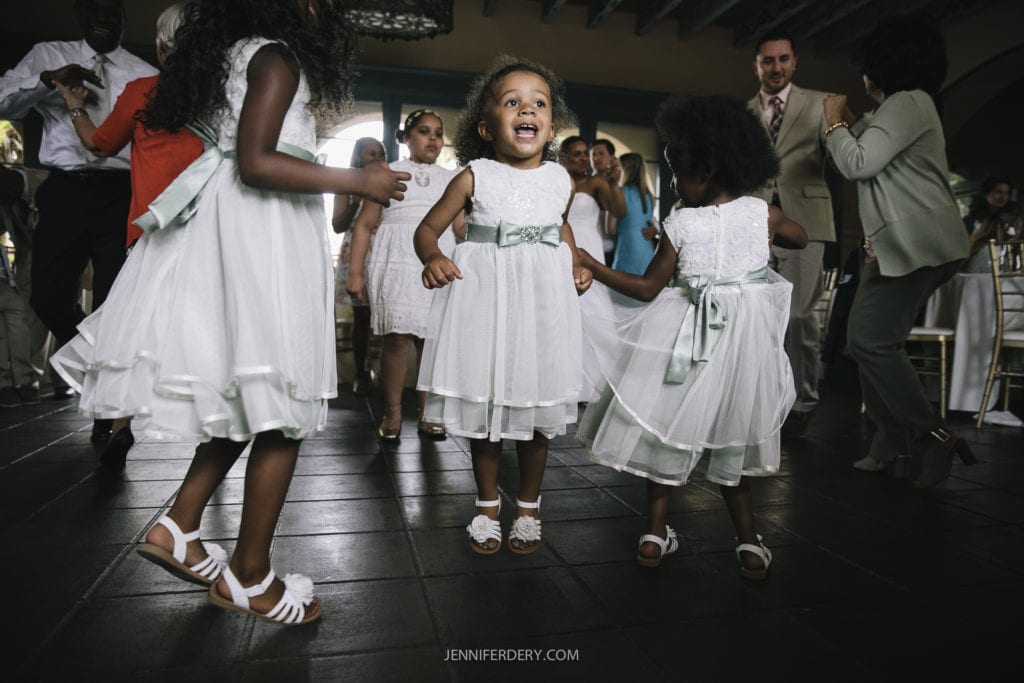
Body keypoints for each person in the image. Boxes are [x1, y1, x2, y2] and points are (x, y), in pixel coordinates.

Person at [50, 0, 409, 625]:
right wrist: (361, 183)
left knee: (256, 388)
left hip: (237, 225)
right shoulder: (276, 57)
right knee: (285, 406)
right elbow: (257, 161)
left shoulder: (233, 56)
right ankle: (250, 576)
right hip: (263, 232)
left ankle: (180, 527)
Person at [577, 94, 807, 575]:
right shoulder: (760, 212)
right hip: (739, 352)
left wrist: (592, 266)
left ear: (706, 169)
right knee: (730, 446)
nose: (676, 183)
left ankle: (655, 536)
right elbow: (799, 237)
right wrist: (768, 231)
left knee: (665, 434)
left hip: (681, 340)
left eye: (678, 172)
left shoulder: (681, 222)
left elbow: (646, 289)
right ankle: (747, 544)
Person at [414, 55, 591, 556]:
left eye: (538, 103)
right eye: (511, 103)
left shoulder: (561, 179)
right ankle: (488, 503)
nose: (526, 110)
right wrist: (432, 256)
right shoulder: (476, 175)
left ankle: (530, 506)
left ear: (551, 125)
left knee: (537, 406)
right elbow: (428, 228)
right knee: (488, 405)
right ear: (486, 126)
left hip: (541, 307)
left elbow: (560, 226)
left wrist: (575, 260)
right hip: (486, 304)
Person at [823, 13, 972, 487]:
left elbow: (860, 163)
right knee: (863, 341)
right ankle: (892, 441)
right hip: (890, 248)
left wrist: (831, 125)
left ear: (881, 66)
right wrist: (848, 125)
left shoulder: (910, 102)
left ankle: (933, 437)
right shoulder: (896, 111)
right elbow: (870, 145)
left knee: (871, 340)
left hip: (918, 245)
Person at [51, 0, 200, 470]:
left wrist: (76, 108)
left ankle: (119, 425)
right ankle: (213, 420)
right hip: (204, 225)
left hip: (150, 229)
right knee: (203, 323)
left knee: (130, 328)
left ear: (160, 48)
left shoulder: (141, 91)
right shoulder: (218, 96)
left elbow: (99, 146)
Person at [0, 0, 158, 443]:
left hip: (121, 194)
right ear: (79, 16)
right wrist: (46, 81)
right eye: (94, 11)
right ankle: (95, 373)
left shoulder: (143, 72)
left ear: (124, 19)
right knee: (47, 297)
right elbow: (3, 100)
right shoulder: (47, 55)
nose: (103, 19)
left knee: (112, 306)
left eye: (113, 12)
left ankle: (105, 415)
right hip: (65, 190)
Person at [346, 110, 462, 441]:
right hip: (395, 257)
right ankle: (393, 412)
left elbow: (460, 228)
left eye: (438, 133)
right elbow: (365, 225)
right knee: (397, 338)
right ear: (406, 137)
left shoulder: (452, 178)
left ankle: (428, 411)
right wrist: (355, 273)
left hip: (439, 254)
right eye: (424, 132)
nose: (433, 139)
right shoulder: (388, 172)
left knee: (432, 339)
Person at [747, 30, 835, 439]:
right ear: (757, 66)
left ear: (794, 62)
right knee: (758, 320)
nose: (776, 67)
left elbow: (845, 155)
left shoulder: (821, 103)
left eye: (783, 59)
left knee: (800, 317)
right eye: (768, 60)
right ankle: (765, 399)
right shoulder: (744, 112)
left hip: (807, 222)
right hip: (755, 225)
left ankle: (803, 402)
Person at [560, 136, 625, 401]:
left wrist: (613, 182)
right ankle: (565, 381)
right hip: (563, 246)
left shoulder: (595, 182)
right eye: (575, 154)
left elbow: (618, 211)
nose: (582, 158)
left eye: (585, 153)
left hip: (590, 248)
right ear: (563, 156)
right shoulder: (555, 180)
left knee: (594, 310)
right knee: (565, 311)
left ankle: (597, 385)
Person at [332, 137, 386, 396]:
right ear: (358, 157)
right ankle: (360, 372)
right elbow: (338, 225)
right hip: (357, 250)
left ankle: (387, 373)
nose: (375, 158)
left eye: (380, 153)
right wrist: (357, 198)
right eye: (370, 153)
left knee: (387, 312)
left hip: (384, 249)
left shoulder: (390, 182)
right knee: (362, 315)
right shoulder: (346, 185)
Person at [611, 152, 658, 276]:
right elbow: (652, 222)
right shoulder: (649, 196)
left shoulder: (620, 193)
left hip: (627, 250)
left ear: (624, 170)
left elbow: (610, 229)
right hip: (647, 252)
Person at [962, 178, 1020, 272]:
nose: (1003, 197)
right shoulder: (970, 220)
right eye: (998, 192)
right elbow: (964, 251)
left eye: (1006, 193)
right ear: (986, 194)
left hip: (1003, 269)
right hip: (976, 270)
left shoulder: (1011, 220)